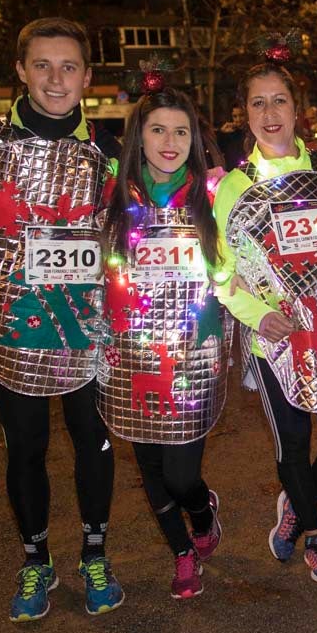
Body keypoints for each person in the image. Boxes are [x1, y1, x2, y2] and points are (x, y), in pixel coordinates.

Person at [0, 17, 124, 621]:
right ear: (20, 71)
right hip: (11, 327)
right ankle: (35, 560)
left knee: (92, 444)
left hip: (89, 328)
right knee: (25, 446)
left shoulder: (109, 147)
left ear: (87, 76)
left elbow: (126, 235)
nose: (55, 78)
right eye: (42, 65)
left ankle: (94, 553)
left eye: (68, 66)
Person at [212, 52, 317, 584]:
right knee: (294, 444)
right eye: (258, 102)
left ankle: (296, 505)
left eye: (280, 99)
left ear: (299, 109)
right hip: (277, 343)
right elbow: (221, 272)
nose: (270, 111)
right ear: (244, 114)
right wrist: (256, 315)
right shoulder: (234, 186)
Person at [98, 84, 225, 600]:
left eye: (181, 130)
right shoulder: (111, 193)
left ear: (194, 138)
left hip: (195, 357)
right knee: (149, 466)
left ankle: (201, 509)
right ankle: (181, 554)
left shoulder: (214, 192)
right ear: (138, 137)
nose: (169, 141)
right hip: (131, 355)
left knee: (180, 474)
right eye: (157, 130)